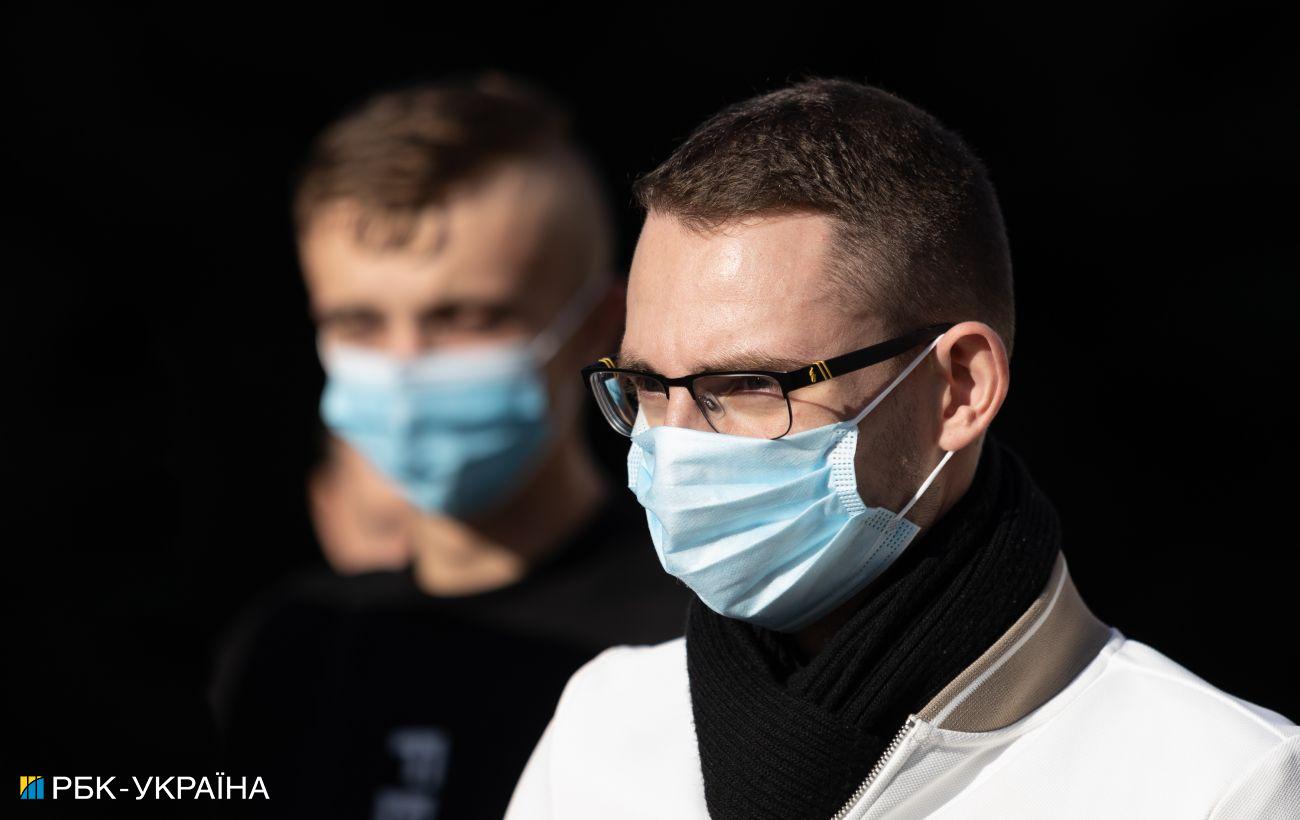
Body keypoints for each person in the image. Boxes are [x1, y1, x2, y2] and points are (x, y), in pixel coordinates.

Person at [507, 79, 1299, 819]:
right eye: (646, 385)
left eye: (747, 384)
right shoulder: (603, 726)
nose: (673, 442)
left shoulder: (1221, 783)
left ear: (960, 389)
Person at [213, 76, 689, 820]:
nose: (404, 366)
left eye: (464, 318)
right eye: (359, 323)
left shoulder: (698, 636)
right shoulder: (291, 647)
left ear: (599, 325)